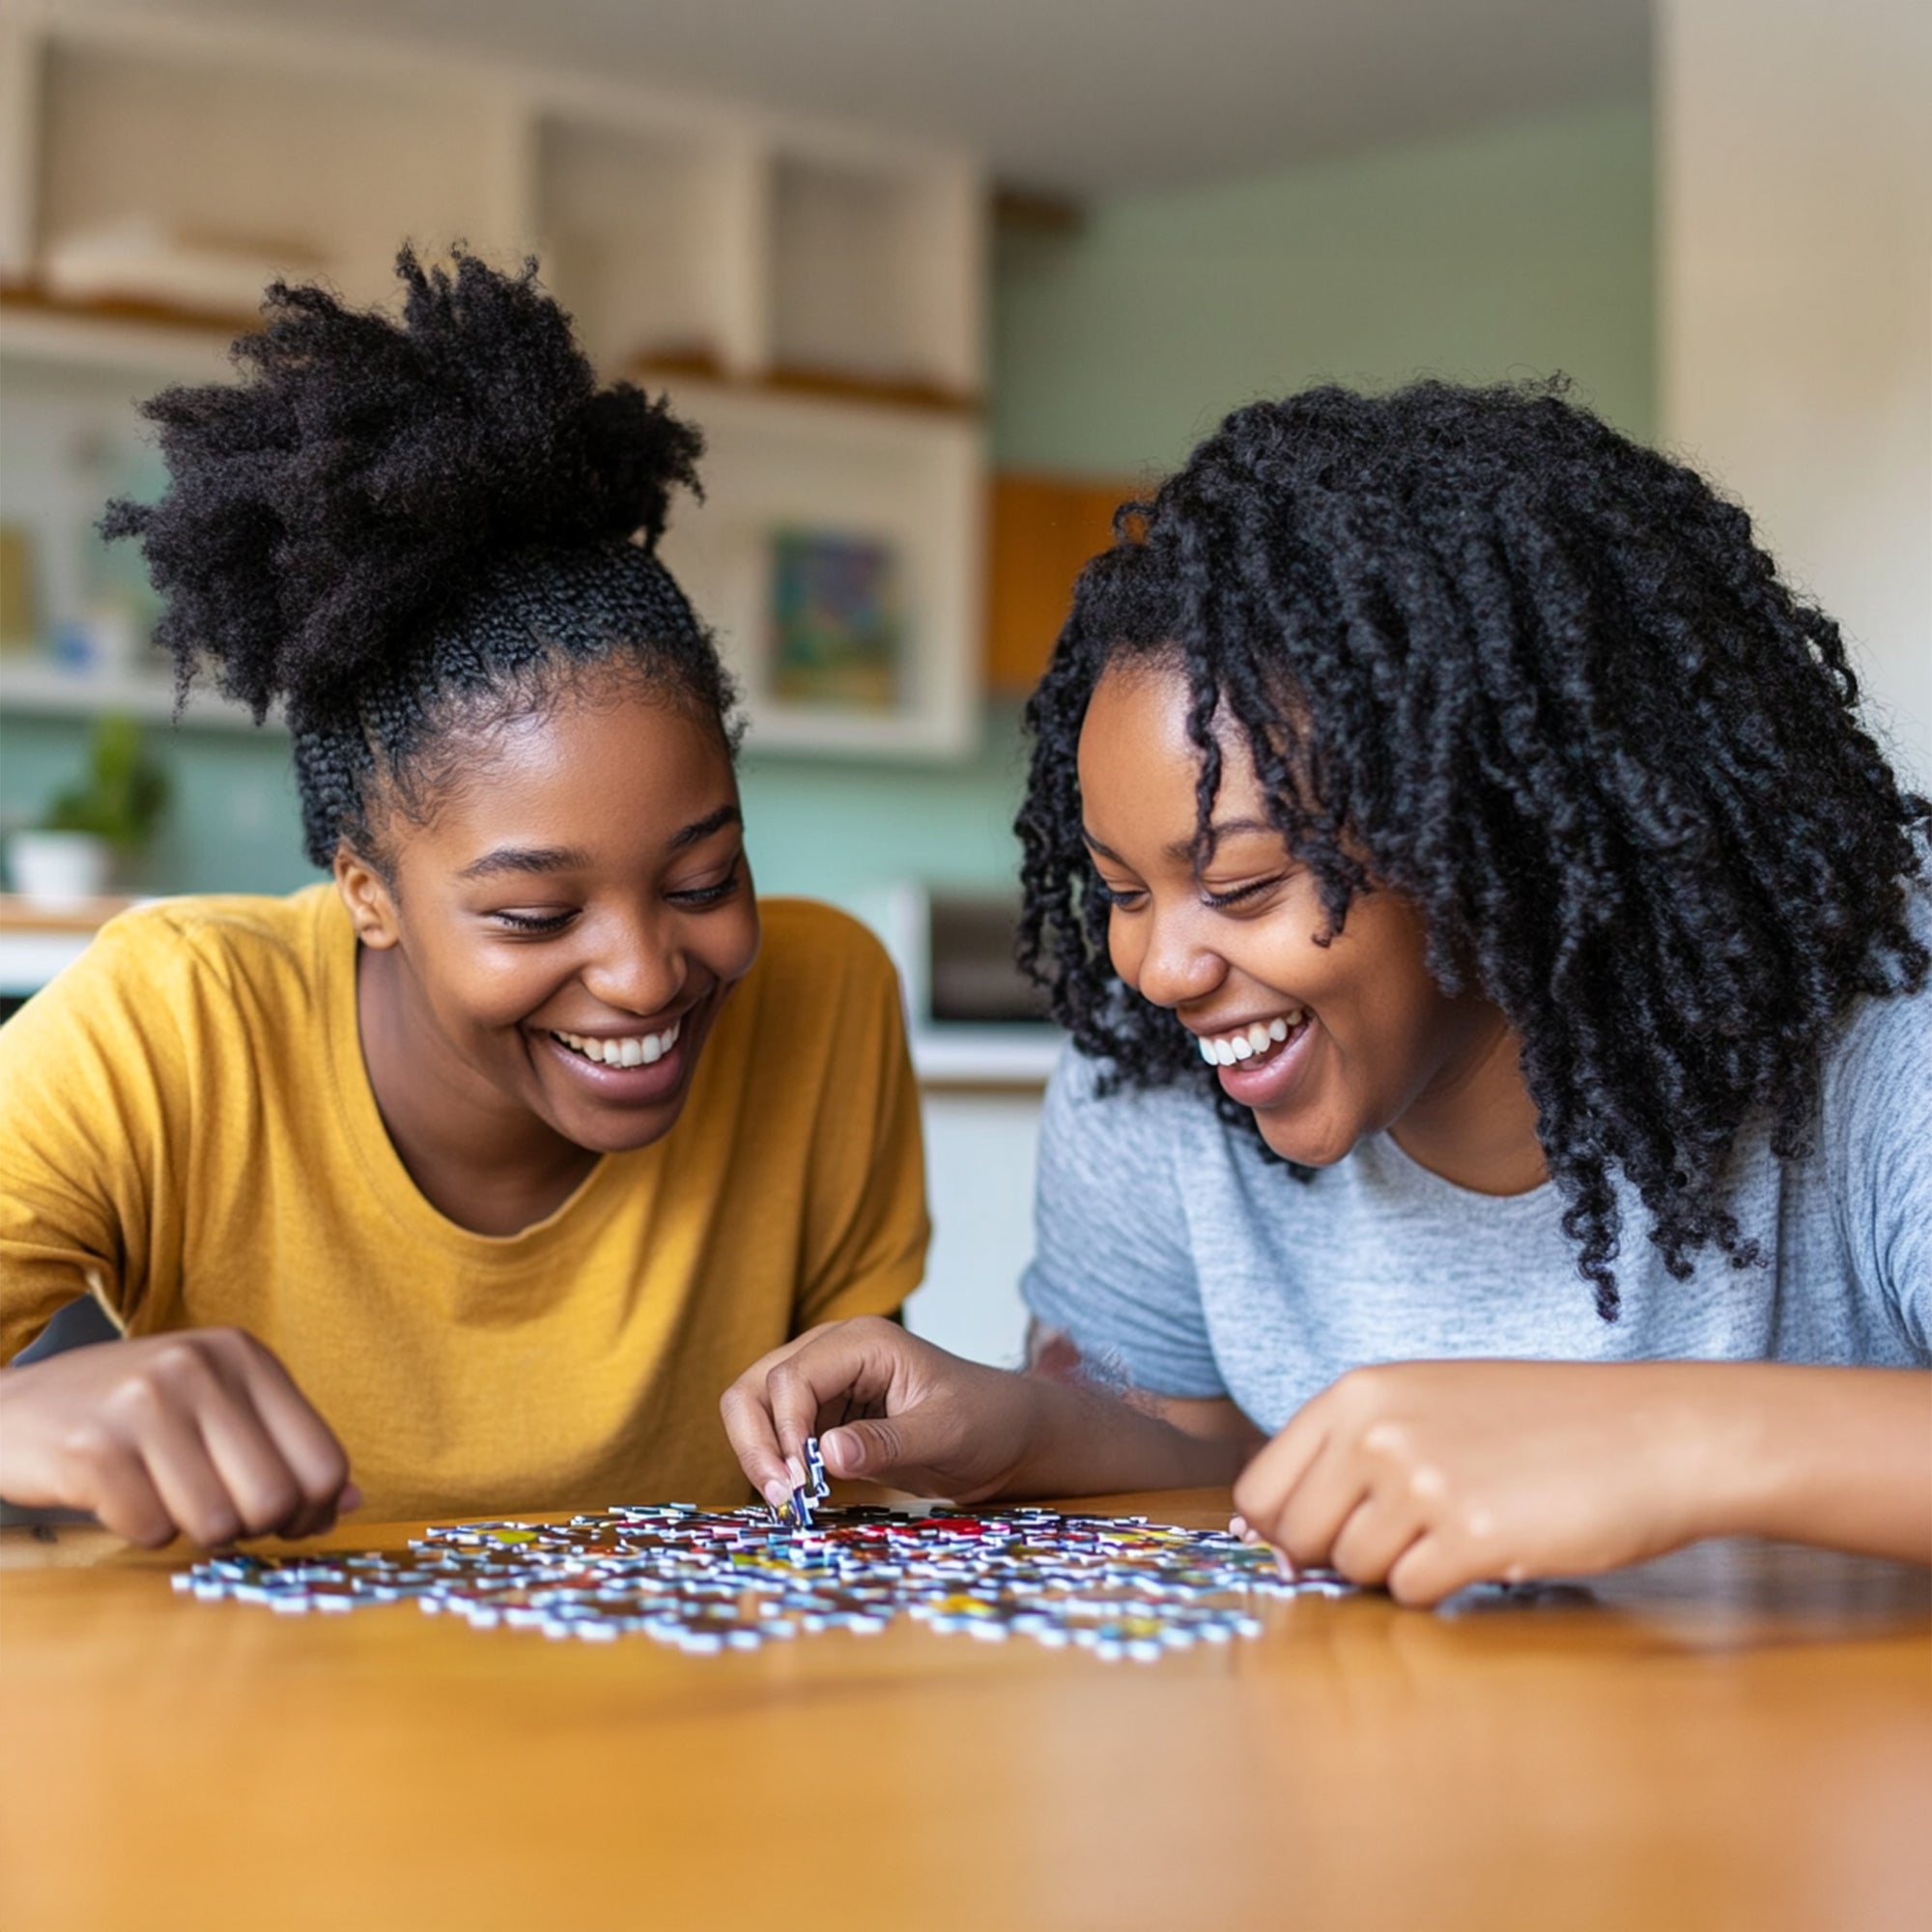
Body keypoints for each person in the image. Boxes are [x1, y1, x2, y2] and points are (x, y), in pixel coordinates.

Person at [722, 378, 1932, 1604]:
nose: (1157, 968)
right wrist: (1032, 1426)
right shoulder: (1149, 1071)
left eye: (1242, 883)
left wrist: (1670, 1439)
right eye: (1119, 890)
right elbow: (1226, 1473)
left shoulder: (1885, 1005)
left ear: (1486, 829)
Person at [0, 251, 926, 1545]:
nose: (649, 972)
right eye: (538, 916)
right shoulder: (168, 1023)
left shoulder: (827, 998)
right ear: (367, 894)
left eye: (707, 879)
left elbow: (862, 1479)